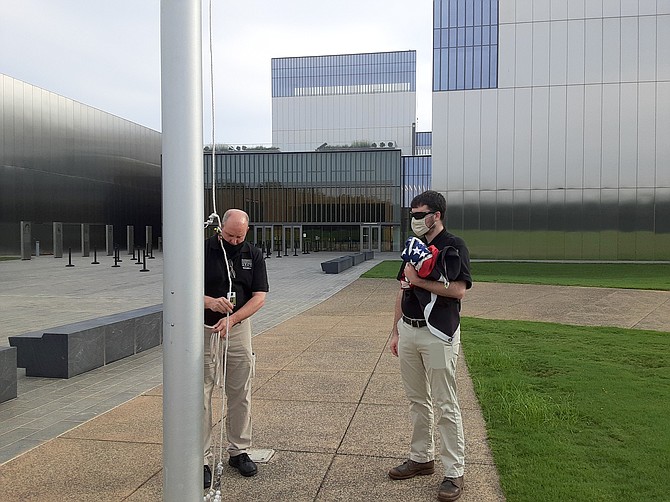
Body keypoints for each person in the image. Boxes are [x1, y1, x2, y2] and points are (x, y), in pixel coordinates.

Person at [388, 191, 473, 502]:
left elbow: (459, 291)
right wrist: (395, 331)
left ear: (436, 215)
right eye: (411, 213)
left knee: (445, 403)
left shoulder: (454, 246)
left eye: (420, 213)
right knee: (417, 401)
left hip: (438, 333)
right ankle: (421, 458)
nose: (414, 219)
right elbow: (401, 289)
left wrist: (419, 281)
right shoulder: (414, 247)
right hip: (408, 331)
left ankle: (454, 471)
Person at [203, 209, 269, 487]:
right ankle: (201, 457)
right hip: (203, 329)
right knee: (201, 392)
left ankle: (239, 450)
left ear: (247, 231)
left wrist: (234, 318)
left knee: (240, 390)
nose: (234, 240)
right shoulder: (201, 249)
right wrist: (208, 302)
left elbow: (259, 297)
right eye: (229, 235)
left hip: (237, 328)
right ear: (219, 229)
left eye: (239, 235)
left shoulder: (253, 254)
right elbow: (179, 288)